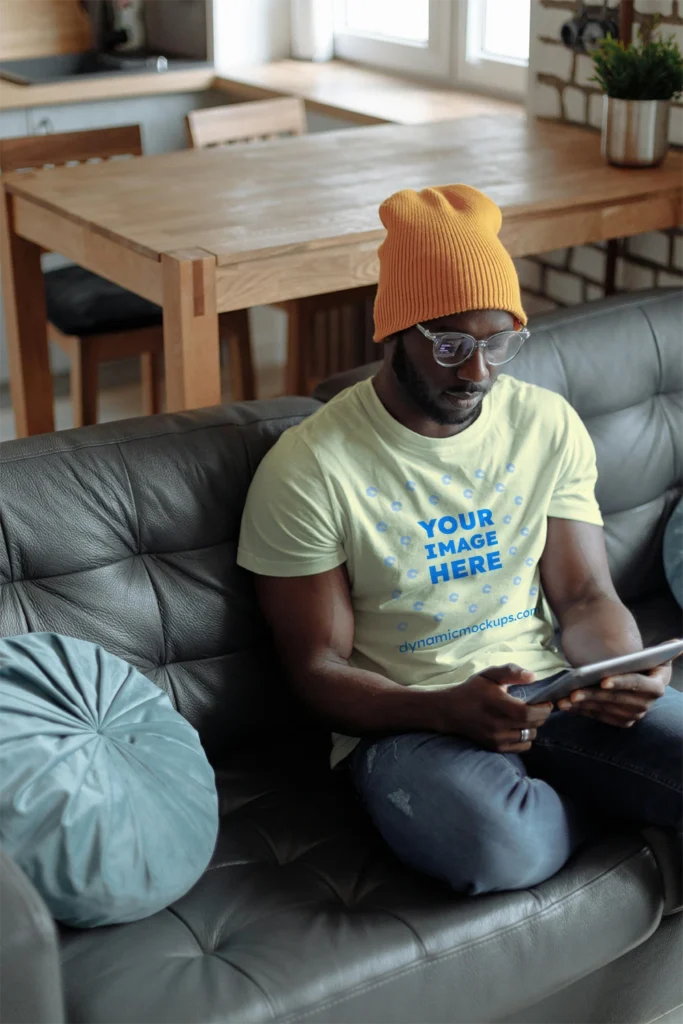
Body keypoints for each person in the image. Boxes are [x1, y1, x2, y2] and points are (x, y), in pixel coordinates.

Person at [237, 183, 682, 895]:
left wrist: (619, 670)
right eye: (449, 345)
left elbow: (582, 593)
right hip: (409, 723)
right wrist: (441, 707)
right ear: (391, 334)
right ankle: (622, 802)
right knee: (500, 849)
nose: (476, 372)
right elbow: (316, 668)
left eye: (498, 342)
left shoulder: (545, 423)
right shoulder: (310, 468)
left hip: (551, 693)